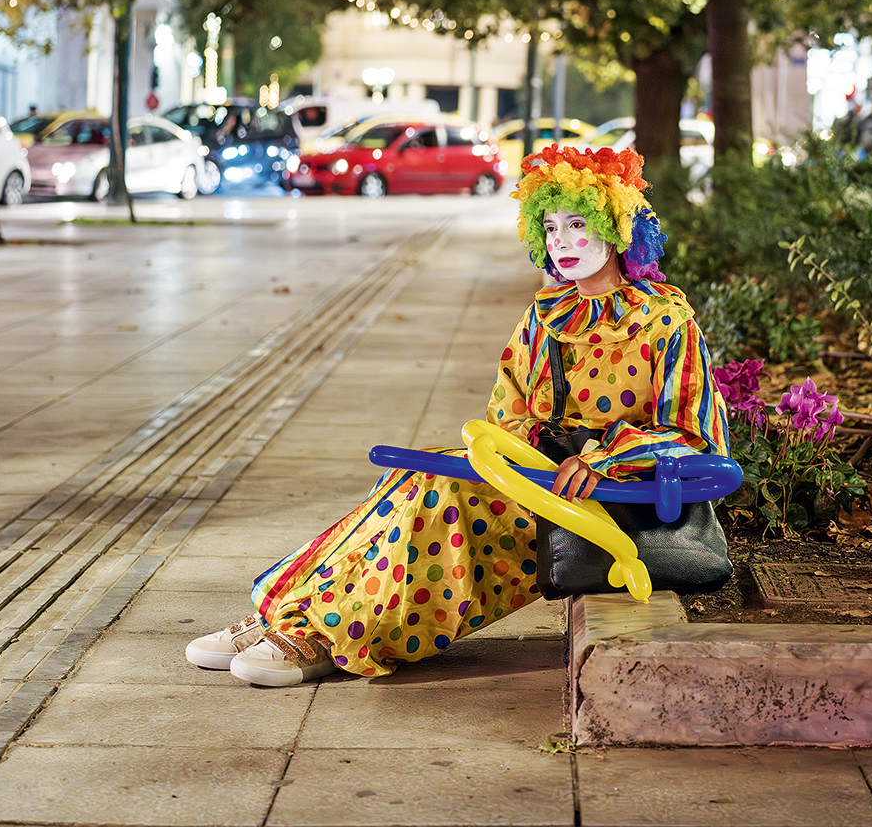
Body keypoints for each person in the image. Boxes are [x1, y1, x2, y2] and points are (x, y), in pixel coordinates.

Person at [185, 143, 730, 685]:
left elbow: (694, 432)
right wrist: (516, 452)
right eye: (551, 228)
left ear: (617, 227)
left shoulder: (665, 322)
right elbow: (507, 409)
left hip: (604, 498)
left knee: (443, 501)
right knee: (416, 478)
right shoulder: (545, 316)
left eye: (577, 224)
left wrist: (605, 461)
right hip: (533, 473)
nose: (561, 242)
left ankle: (332, 635)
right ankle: (283, 615)